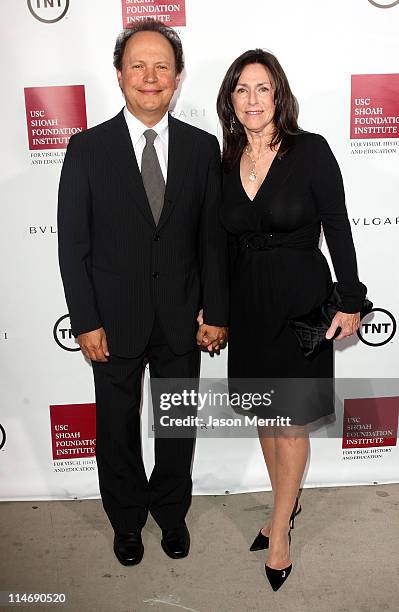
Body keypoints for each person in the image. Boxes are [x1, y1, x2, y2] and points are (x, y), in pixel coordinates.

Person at [57, 21, 228, 567]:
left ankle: (171, 514)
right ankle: (127, 521)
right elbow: (72, 245)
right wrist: (84, 320)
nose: (150, 78)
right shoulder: (86, 150)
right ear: (119, 75)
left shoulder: (203, 150)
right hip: (111, 319)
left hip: (183, 317)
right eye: (138, 66)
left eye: (162, 67)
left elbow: (212, 242)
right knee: (116, 428)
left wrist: (216, 310)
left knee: (177, 424)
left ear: (177, 78)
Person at [216, 49, 366, 590]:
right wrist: (217, 309)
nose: (252, 100)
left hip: (301, 301)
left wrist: (350, 299)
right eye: (241, 89)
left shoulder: (311, 151)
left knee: (290, 419)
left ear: (279, 94)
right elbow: (221, 245)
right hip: (250, 305)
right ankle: (287, 505)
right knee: (264, 413)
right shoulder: (225, 160)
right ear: (230, 101)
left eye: (262, 88)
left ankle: (279, 529)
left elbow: (339, 227)